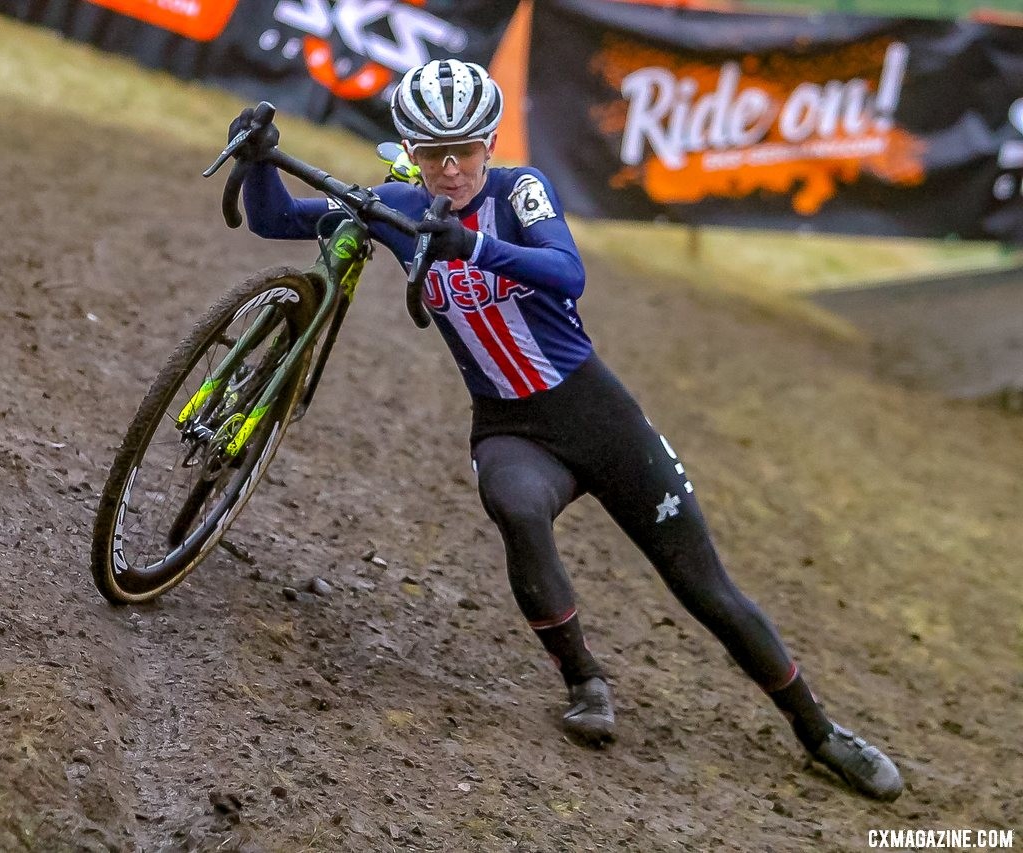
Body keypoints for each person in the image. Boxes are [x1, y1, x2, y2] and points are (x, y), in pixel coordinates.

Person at [227, 59, 903, 801]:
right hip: (510, 427)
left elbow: (568, 272)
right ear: (411, 154)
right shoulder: (397, 207)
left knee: (706, 588)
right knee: (517, 507)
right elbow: (273, 219)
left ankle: (819, 730)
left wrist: (472, 247)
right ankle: (586, 681)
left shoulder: (522, 190)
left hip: (599, 417)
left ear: (489, 142)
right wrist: (258, 159)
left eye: (466, 151)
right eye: (432, 154)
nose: (451, 169)